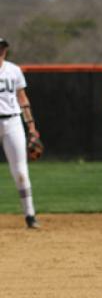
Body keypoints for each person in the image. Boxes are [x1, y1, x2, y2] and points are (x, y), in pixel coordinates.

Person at [0, 38, 41, 229]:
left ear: (6, 50)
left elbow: (22, 98)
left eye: (2, 48)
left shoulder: (13, 70)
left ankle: (30, 215)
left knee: (20, 172)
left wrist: (31, 126)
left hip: (13, 121)